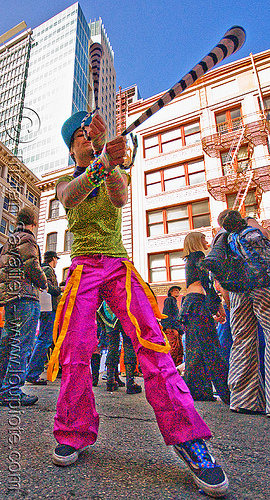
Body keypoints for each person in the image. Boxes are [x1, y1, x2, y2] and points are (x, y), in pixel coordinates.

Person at [47, 111, 229, 498]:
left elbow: (118, 196)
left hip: (119, 265)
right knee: (76, 347)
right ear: (71, 147)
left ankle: (189, 438)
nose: (85, 136)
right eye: (79, 135)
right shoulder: (67, 179)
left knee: (151, 340)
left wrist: (108, 159)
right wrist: (100, 160)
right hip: (83, 266)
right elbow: (69, 197)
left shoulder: (116, 170)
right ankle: (74, 430)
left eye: (89, 132)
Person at [218, 209, 270, 416]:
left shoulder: (221, 238)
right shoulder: (252, 228)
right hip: (262, 285)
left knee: (241, 341)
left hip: (237, 290)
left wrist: (225, 294)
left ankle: (243, 399)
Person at [0, 208, 47, 406]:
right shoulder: (27, 238)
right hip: (26, 296)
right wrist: (44, 282)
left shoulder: (9, 241)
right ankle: (12, 390)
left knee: (7, 343)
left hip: (9, 298)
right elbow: (32, 266)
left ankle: (4, 386)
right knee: (23, 343)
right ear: (33, 223)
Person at [180, 231, 230, 404]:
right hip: (198, 303)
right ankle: (227, 392)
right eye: (203, 238)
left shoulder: (190, 259)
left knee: (196, 349)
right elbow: (206, 283)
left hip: (190, 304)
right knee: (211, 347)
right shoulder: (199, 257)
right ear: (196, 241)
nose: (206, 241)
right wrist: (217, 306)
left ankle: (197, 390)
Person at [26, 250, 64, 385]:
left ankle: (35, 371)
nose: (57, 262)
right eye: (56, 259)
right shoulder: (48, 269)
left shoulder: (43, 268)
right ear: (53, 258)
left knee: (46, 340)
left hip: (45, 308)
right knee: (44, 340)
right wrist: (61, 289)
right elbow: (47, 287)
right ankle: (32, 373)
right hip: (49, 309)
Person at [161, 286, 184, 366]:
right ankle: (171, 367)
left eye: (178, 290)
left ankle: (176, 367)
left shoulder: (173, 301)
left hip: (175, 328)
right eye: (175, 290)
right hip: (172, 328)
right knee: (174, 349)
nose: (177, 292)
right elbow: (167, 315)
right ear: (171, 292)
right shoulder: (169, 300)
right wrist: (172, 328)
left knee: (179, 349)